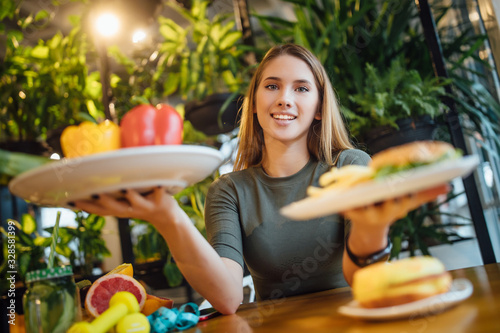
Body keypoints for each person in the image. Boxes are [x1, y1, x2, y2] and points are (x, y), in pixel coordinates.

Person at [74, 44, 448, 315]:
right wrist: (167, 217)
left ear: (318, 109)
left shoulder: (349, 166)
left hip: (358, 321)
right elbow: (226, 297)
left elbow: (362, 277)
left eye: (301, 88)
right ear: (254, 102)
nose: (285, 98)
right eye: (272, 86)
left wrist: (373, 223)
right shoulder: (229, 191)